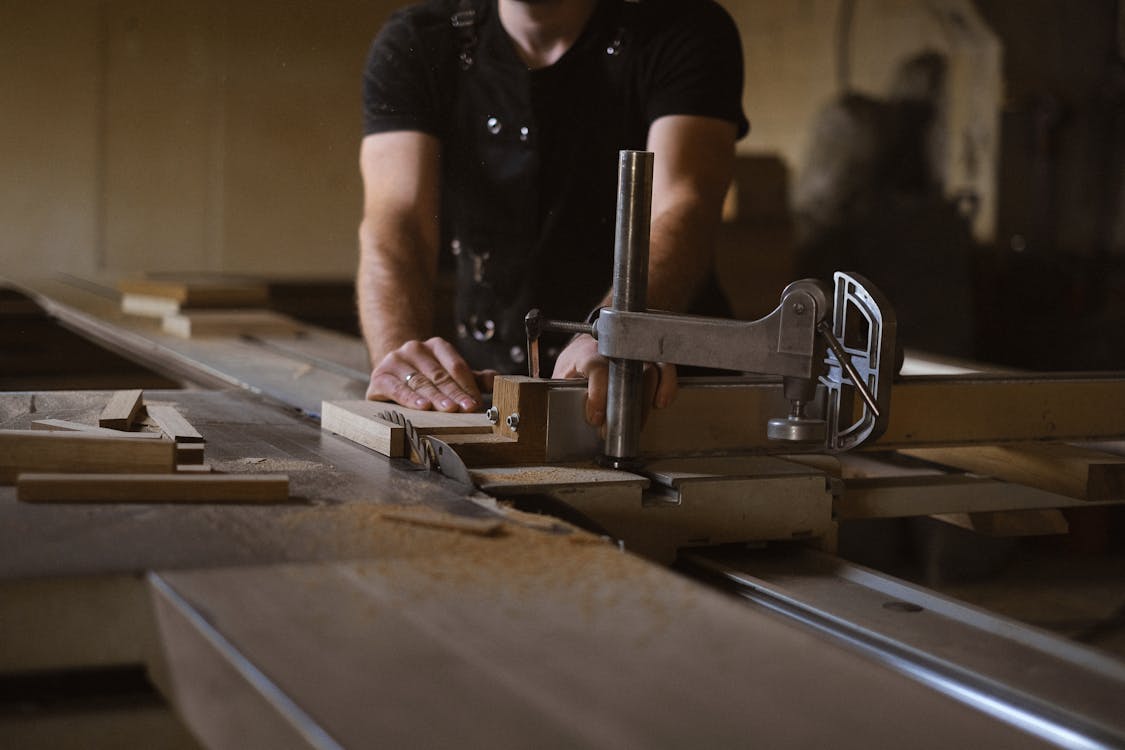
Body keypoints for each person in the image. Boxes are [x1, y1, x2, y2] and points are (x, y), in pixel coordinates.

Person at [358, 0, 748, 429]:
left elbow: (684, 205)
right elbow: (398, 222)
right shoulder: (419, 41)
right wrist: (401, 359)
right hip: (490, 397)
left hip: (664, 398)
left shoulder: (683, 29)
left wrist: (615, 331)